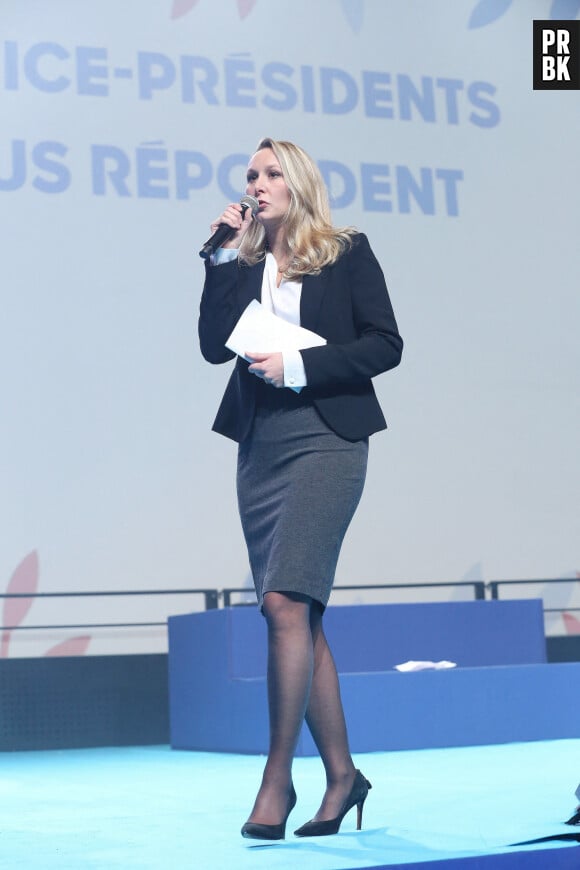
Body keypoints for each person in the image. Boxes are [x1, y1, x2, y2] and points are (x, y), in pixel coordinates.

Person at [198, 137, 403, 840]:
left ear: (299, 182)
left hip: (326, 435)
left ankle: (276, 779)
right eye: (250, 174)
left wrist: (301, 364)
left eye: (271, 172)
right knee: (294, 613)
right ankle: (344, 776)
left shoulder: (346, 250)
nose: (257, 183)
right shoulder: (241, 258)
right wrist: (221, 254)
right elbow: (209, 343)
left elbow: (385, 344)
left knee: (286, 600)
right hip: (261, 447)